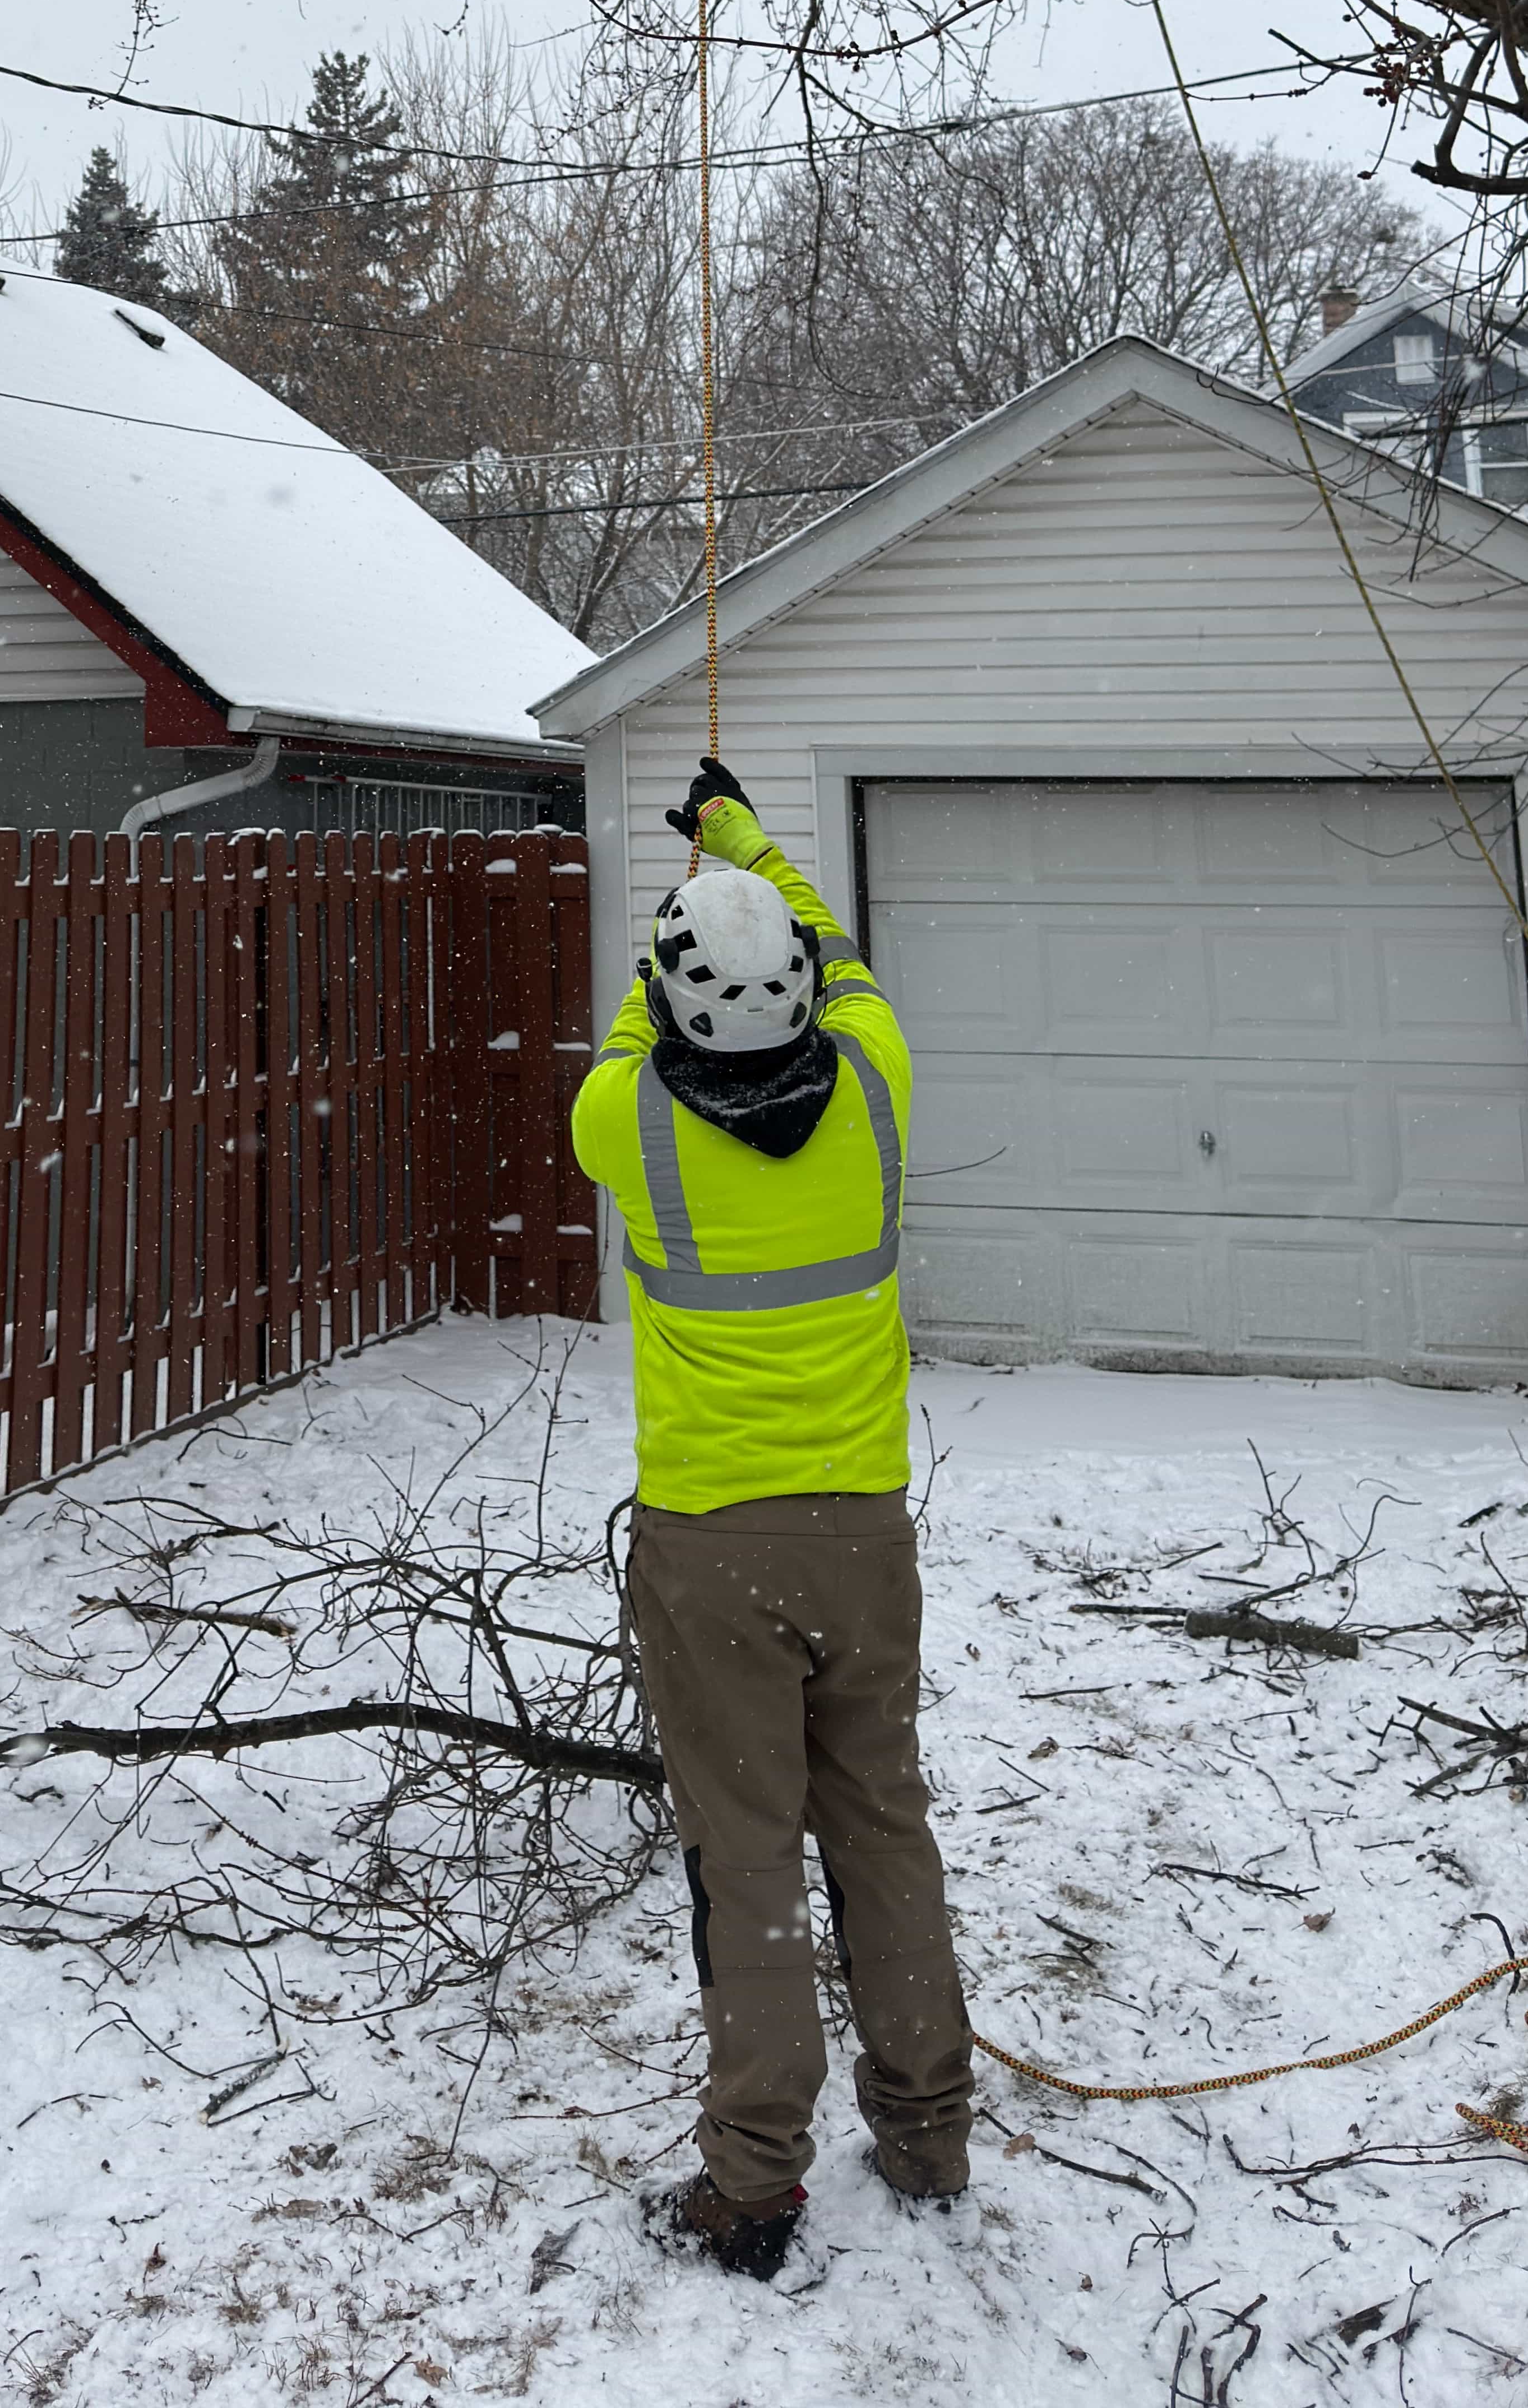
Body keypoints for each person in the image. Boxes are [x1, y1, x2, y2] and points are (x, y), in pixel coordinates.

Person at [569, 757, 974, 2283]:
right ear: (802, 991)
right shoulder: (874, 1077)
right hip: (863, 1539)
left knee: (745, 1858)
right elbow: (841, 955)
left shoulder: (626, 1121)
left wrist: (678, 903)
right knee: (883, 1824)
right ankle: (927, 2130)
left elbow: (638, 1027)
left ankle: (753, 2184)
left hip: (708, 1547)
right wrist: (747, 849)